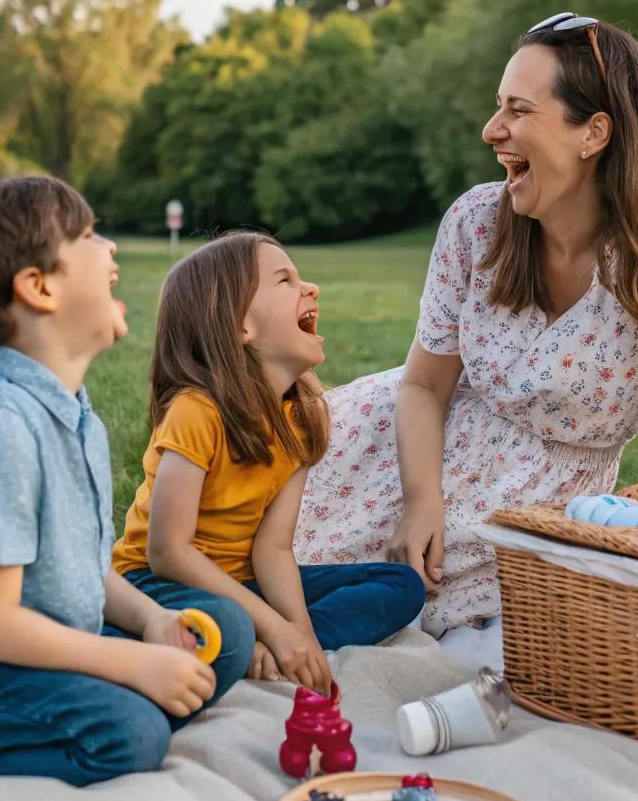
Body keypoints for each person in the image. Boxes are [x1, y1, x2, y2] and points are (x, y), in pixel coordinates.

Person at [294, 13, 638, 644]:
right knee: (250, 556)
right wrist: (422, 499)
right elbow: (424, 386)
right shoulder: (478, 224)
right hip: (399, 453)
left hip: (536, 508)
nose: (492, 130)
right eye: (496, 107)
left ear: (593, 133)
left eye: (518, 109)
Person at [0, 176, 254, 786]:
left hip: (35, 623)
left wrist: (149, 624)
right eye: (87, 235)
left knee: (227, 631)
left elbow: (80, 568)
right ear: (38, 287)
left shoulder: (72, 409)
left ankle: (111, 685)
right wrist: (129, 663)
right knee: (130, 733)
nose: (110, 248)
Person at [111, 232, 425, 691]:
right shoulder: (195, 412)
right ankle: (240, 641)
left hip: (243, 583)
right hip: (157, 584)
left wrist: (299, 634)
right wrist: (273, 627)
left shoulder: (301, 420)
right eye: (285, 280)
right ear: (239, 325)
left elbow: (273, 549)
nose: (310, 287)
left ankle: (260, 649)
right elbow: (167, 553)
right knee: (229, 626)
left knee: (400, 586)